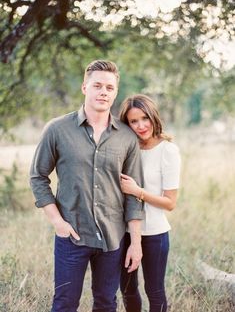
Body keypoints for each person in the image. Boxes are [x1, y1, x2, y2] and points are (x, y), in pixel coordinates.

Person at [29, 60, 145, 312]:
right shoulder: (57, 129)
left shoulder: (126, 137)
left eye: (110, 88)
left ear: (115, 92)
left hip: (112, 239)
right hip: (71, 235)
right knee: (64, 304)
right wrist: (58, 222)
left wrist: (135, 243)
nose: (104, 92)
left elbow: (135, 196)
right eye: (98, 85)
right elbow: (38, 176)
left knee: (106, 303)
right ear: (85, 87)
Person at [119, 94, 181, 312]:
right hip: (124, 232)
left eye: (145, 118)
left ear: (154, 116)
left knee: (154, 291)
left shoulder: (168, 150)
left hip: (155, 234)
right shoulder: (127, 148)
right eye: (133, 121)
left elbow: (170, 202)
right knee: (127, 289)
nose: (141, 125)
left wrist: (138, 191)